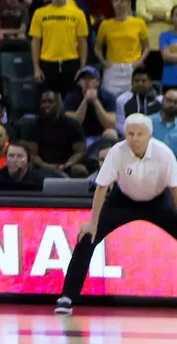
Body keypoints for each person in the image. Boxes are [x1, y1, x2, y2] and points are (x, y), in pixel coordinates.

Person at [56, 114, 177, 312]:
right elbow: (102, 187)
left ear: (150, 135)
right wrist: (93, 222)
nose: (134, 138)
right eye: (130, 133)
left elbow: (175, 190)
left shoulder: (164, 154)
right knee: (87, 236)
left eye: (140, 134)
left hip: (158, 201)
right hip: (123, 200)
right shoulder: (117, 152)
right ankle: (67, 297)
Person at [30, 0, 90, 96]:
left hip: (71, 62)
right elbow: (35, 41)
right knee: (47, 101)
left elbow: (82, 41)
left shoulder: (78, 13)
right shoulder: (39, 13)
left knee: (71, 100)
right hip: (47, 63)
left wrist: (82, 66)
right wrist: (36, 68)